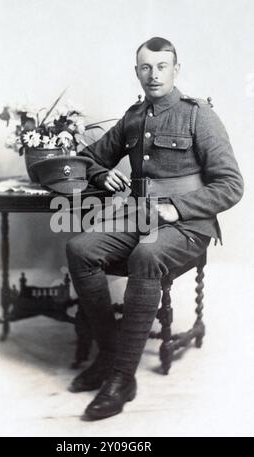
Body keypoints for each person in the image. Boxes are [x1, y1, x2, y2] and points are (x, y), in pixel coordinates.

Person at [66, 37, 244, 421]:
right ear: (137, 72)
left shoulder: (199, 116)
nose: (153, 75)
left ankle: (120, 378)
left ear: (175, 70)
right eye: (146, 67)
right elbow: (86, 160)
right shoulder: (133, 117)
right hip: (139, 217)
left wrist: (175, 208)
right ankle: (110, 355)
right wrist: (102, 173)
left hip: (190, 225)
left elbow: (231, 185)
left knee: (146, 256)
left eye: (162, 66)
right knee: (80, 250)